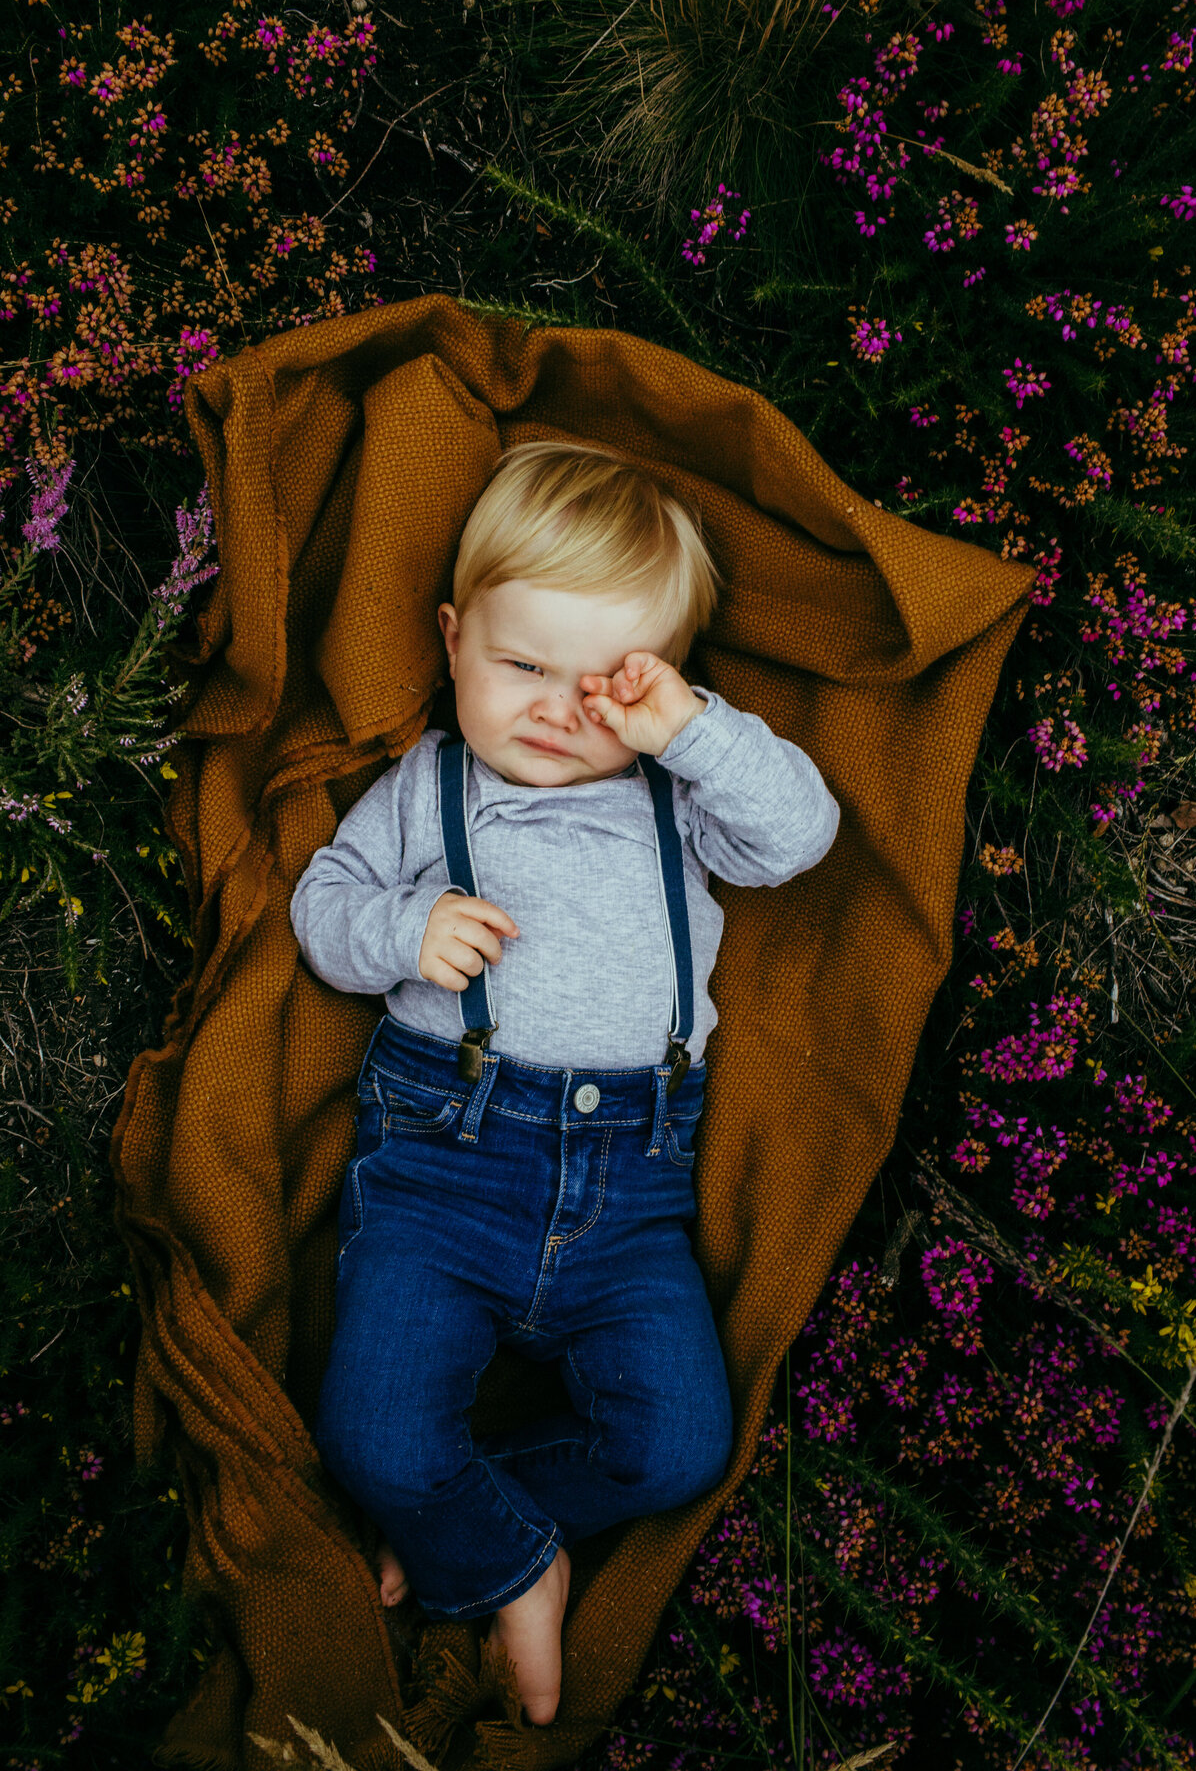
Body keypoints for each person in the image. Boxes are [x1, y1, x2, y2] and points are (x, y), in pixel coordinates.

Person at [289, 440, 841, 1727]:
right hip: (444, 1161)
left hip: (631, 1189)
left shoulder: (676, 796)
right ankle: (513, 1562)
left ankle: (464, 1525)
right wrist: (402, 933)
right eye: (518, 665)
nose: (551, 709)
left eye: (600, 686)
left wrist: (691, 733)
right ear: (451, 637)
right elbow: (325, 900)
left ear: (655, 688)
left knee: (676, 1448)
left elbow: (801, 835)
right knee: (370, 1434)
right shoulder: (428, 786)